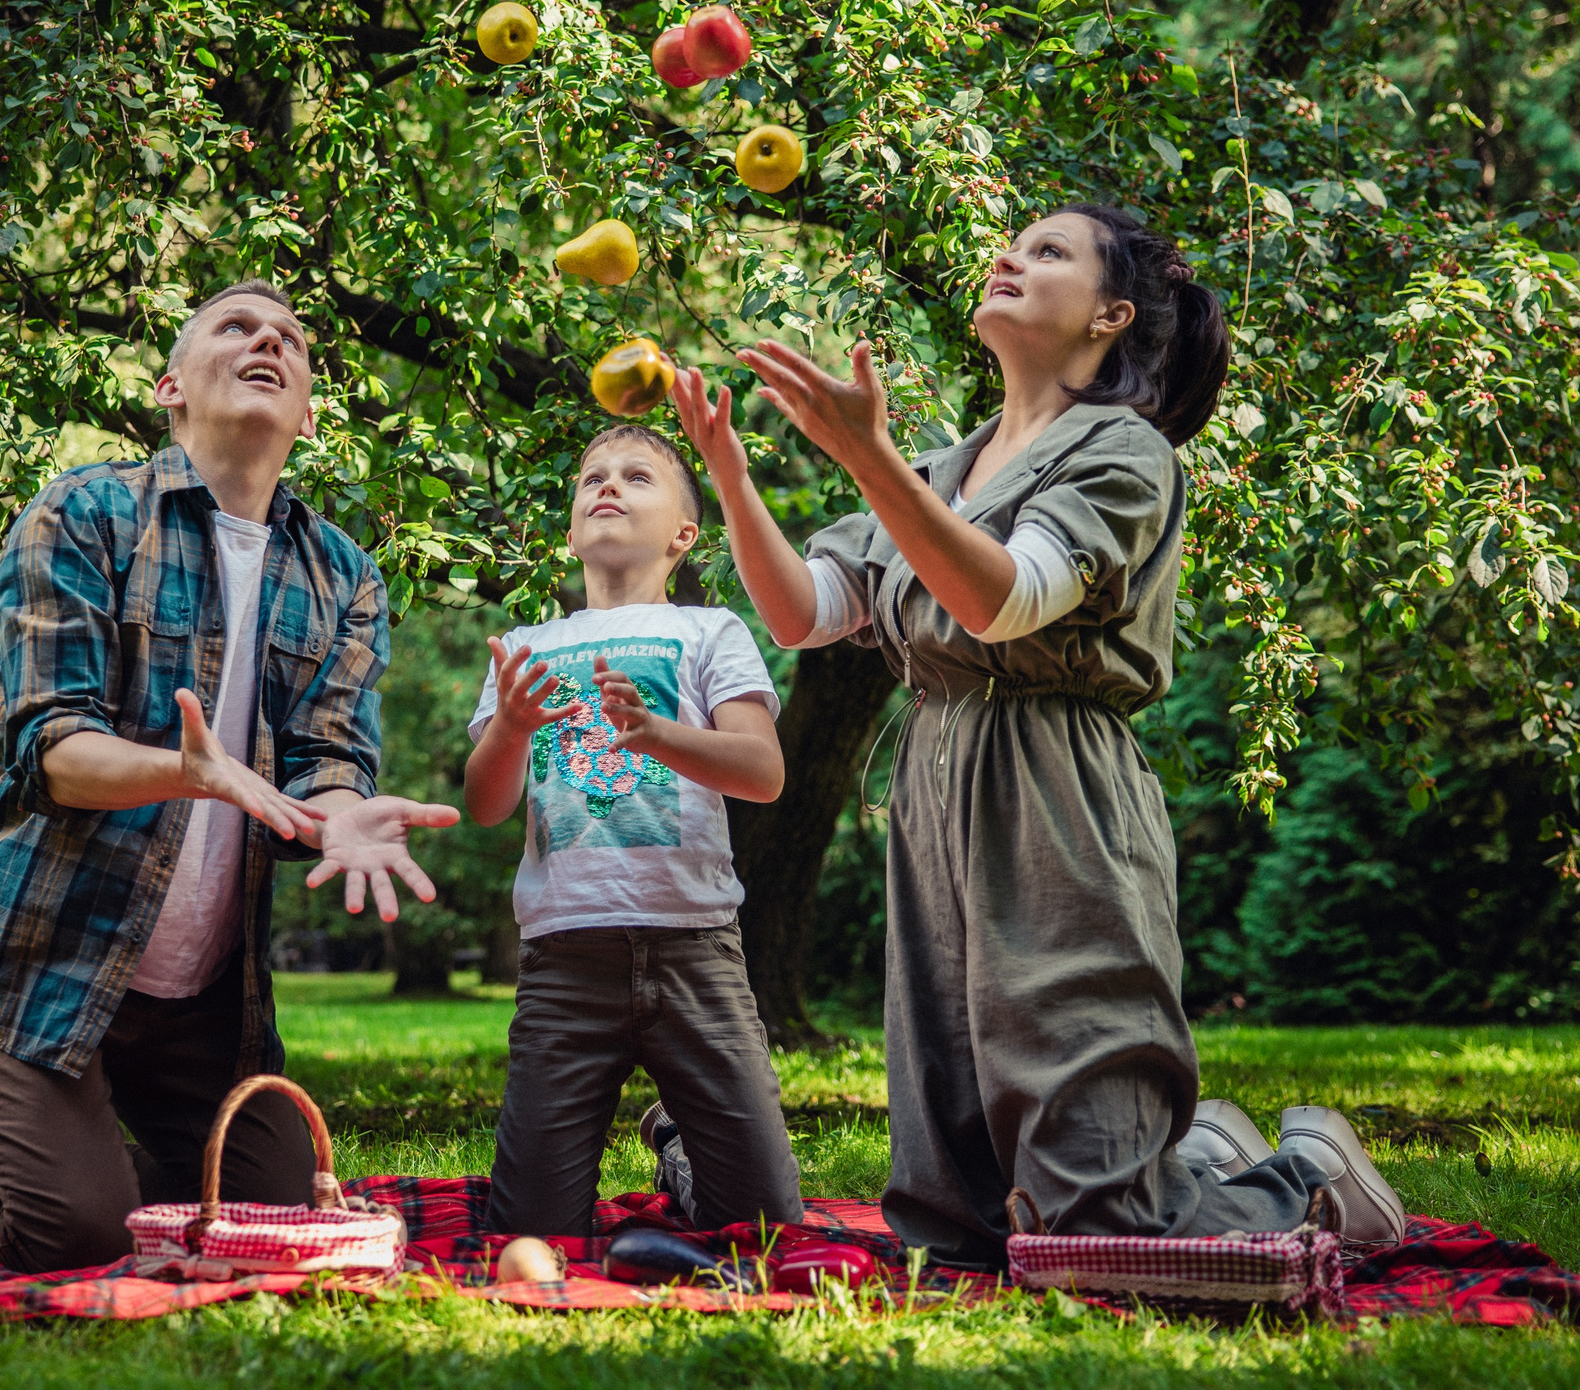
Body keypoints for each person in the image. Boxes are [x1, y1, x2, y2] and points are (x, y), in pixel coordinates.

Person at [669, 206, 1404, 1268]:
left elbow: (1003, 601)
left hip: (1058, 790)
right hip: (934, 788)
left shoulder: (1124, 450)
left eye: (1049, 250)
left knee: (1098, 1226)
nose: (1008, 255)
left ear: (1111, 316)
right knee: (953, 1223)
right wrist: (731, 476)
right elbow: (800, 613)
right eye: (1012, 242)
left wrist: (868, 457)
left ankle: (1308, 1185)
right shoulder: (940, 470)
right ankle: (1197, 1161)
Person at [0, 279, 459, 1270]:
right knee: (68, 1232)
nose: (267, 342)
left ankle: (79, 1161)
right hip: (37, 950)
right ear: (170, 387)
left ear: (310, 415)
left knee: (273, 1214)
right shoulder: (85, 514)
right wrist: (189, 773)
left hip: (198, 997)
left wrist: (339, 815)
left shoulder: (344, 575)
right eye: (235, 327)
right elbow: (51, 750)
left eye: (289, 339)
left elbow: (330, 758)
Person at [463, 424, 805, 1236]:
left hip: (697, 949)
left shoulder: (711, 631)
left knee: (763, 1232)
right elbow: (485, 804)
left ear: (684, 535)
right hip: (564, 961)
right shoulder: (526, 648)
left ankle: (680, 1152)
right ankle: (668, 1149)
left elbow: (763, 772)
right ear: (571, 531)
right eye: (593, 478)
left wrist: (656, 736)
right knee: (530, 1235)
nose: (608, 485)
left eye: (637, 477)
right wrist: (510, 727)